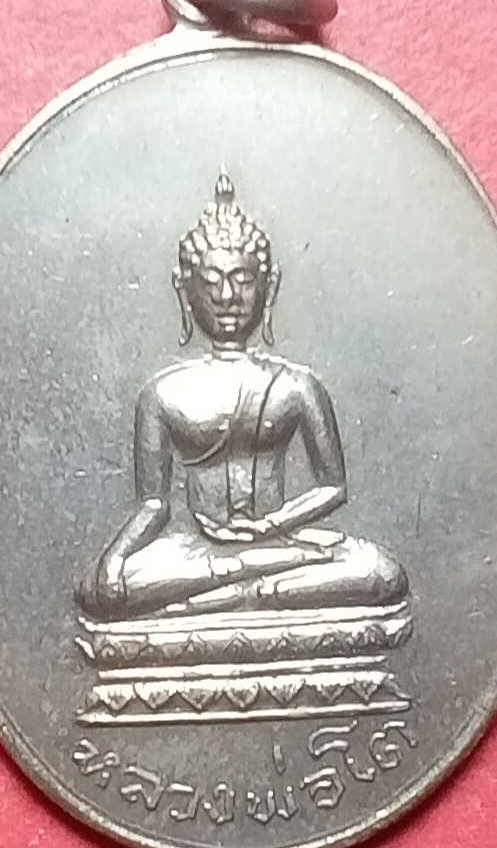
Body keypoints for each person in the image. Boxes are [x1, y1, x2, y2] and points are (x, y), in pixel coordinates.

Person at [77, 175, 406, 620]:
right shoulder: (162, 393)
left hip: (282, 543)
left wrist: (272, 525)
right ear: (185, 290)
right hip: (196, 551)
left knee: (380, 572)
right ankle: (258, 588)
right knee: (100, 588)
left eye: (242, 280)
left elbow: (332, 486)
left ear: (268, 286)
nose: (227, 297)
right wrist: (115, 557)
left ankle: (227, 593)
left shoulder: (296, 385)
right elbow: (154, 503)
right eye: (211, 281)